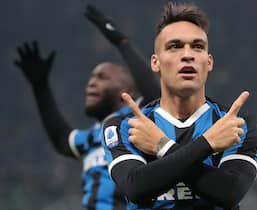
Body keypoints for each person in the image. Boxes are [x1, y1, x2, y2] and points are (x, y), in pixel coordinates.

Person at [102, 2, 257, 210]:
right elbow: (136, 188)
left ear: (209, 62)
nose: (187, 54)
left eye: (197, 46)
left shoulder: (239, 125)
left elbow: (229, 192)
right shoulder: (124, 126)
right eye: (174, 46)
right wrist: (208, 144)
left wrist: (161, 146)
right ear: (155, 62)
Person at [13, 4, 159, 210]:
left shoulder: (137, 121)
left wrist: (122, 42)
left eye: (102, 77)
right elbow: (62, 140)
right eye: (91, 78)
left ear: (126, 90)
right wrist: (40, 87)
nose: (91, 83)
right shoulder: (92, 137)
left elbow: (156, 96)